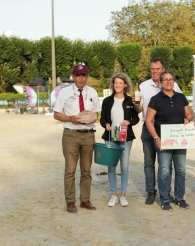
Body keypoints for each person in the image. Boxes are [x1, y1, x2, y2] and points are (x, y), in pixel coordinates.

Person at [133, 59, 182, 206]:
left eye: (157, 69)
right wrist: (136, 106)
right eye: (152, 69)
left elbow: (180, 103)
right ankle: (151, 192)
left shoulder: (173, 85)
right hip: (149, 128)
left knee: (166, 164)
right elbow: (139, 109)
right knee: (149, 162)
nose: (154, 71)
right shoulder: (143, 86)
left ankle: (166, 192)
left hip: (167, 129)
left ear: (163, 69)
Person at [53, 64, 101, 213]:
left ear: (87, 77)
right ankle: (70, 201)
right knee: (70, 170)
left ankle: (85, 200)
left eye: (84, 75)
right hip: (71, 134)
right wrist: (71, 118)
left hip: (88, 134)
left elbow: (97, 114)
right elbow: (56, 114)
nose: (81, 78)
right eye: (78, 75)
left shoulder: (93, 92)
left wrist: (92, 117)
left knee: (87, 170)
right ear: (73, 77)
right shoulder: (64, 92)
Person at [145, 70, 193, 211]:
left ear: (174, 81)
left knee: (181, 170)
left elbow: (189, 114)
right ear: (160, 82)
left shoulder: (181, 97)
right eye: (165, 79)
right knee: (164, 170)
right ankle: (165, 199)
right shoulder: (155, 99)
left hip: (179, 139)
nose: (168, 81)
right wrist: (156, 138)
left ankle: (179, 198)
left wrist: (187, 119)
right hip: (163, 139)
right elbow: (148, 121)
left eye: (170, 79)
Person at [100, 72, 140, 207]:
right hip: (111, 136)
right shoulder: (107, 101)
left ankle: (123, 195)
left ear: (125, 85)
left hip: (125, 136)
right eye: (115, 83)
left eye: (120, 83)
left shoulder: (130, 101)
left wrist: (129, 122)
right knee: (111, 167)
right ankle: (113, 195)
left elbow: (136, 118)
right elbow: (102, 118)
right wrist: (105, 124)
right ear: (113, 84)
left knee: (125, 166)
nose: (117, 85)